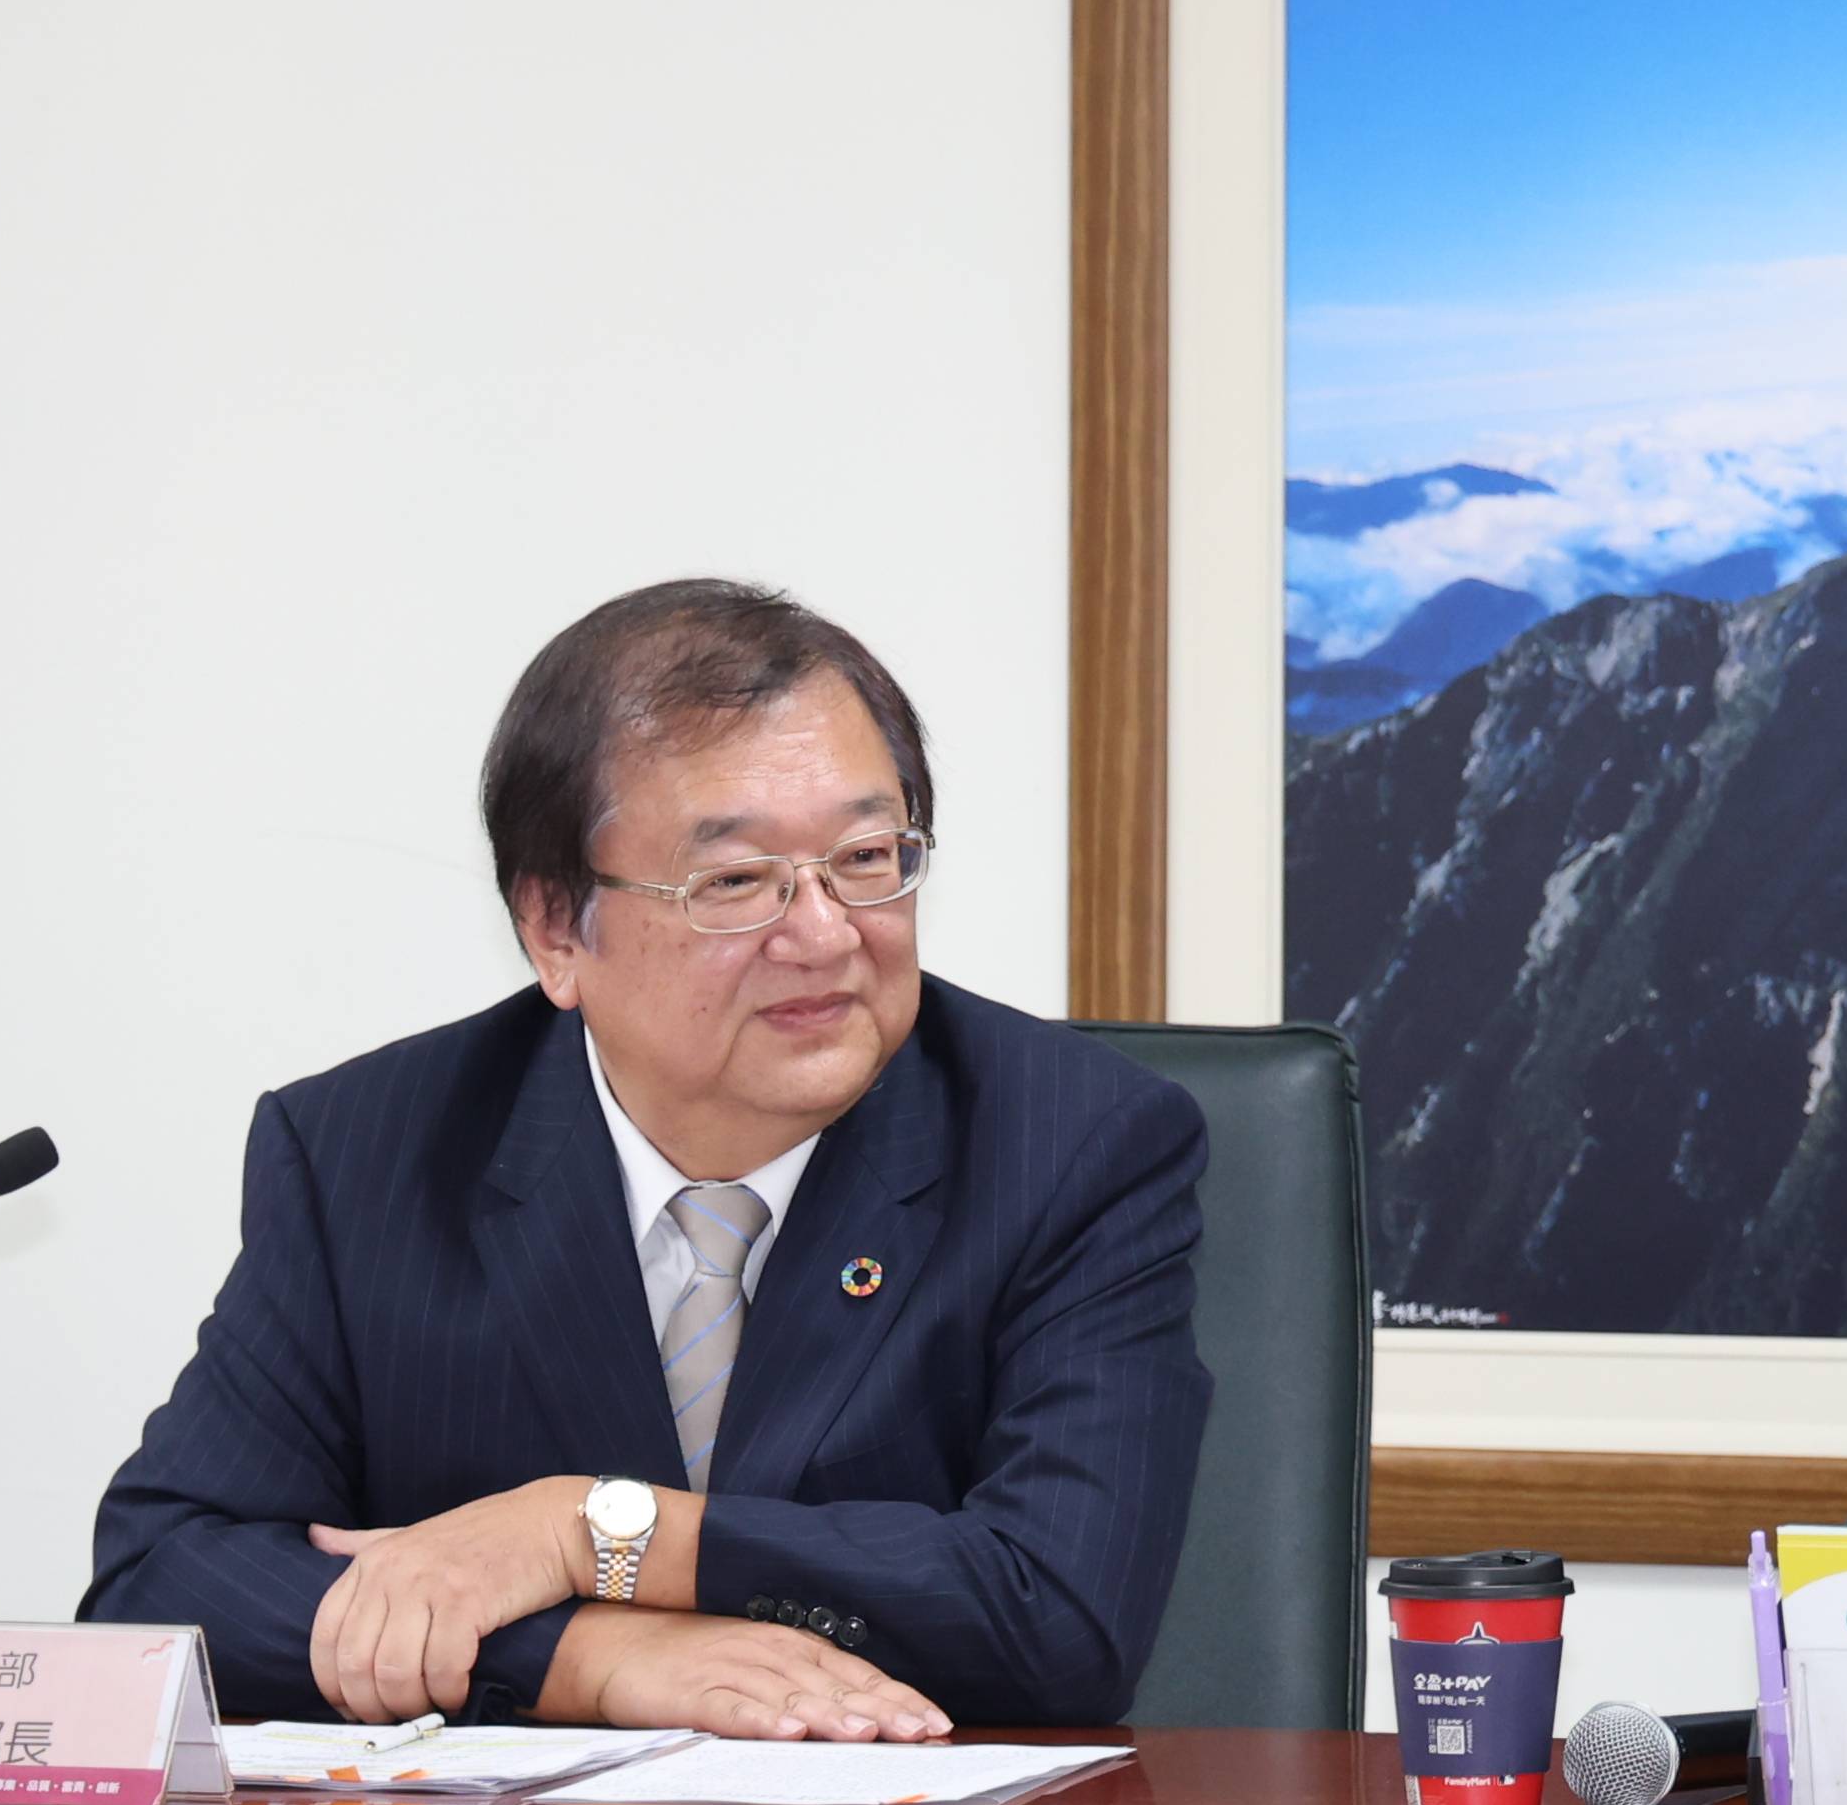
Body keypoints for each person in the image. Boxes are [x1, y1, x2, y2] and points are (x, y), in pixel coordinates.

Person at [90, 582, 1213, 1737]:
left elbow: (1063, 1614)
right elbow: (159, 1594)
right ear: (553, 930)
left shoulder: (1072, 1143)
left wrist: (591, 1531)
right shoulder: (370, 1155)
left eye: (868, 857)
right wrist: (585, 1656)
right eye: (735, 881)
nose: (825, 931)